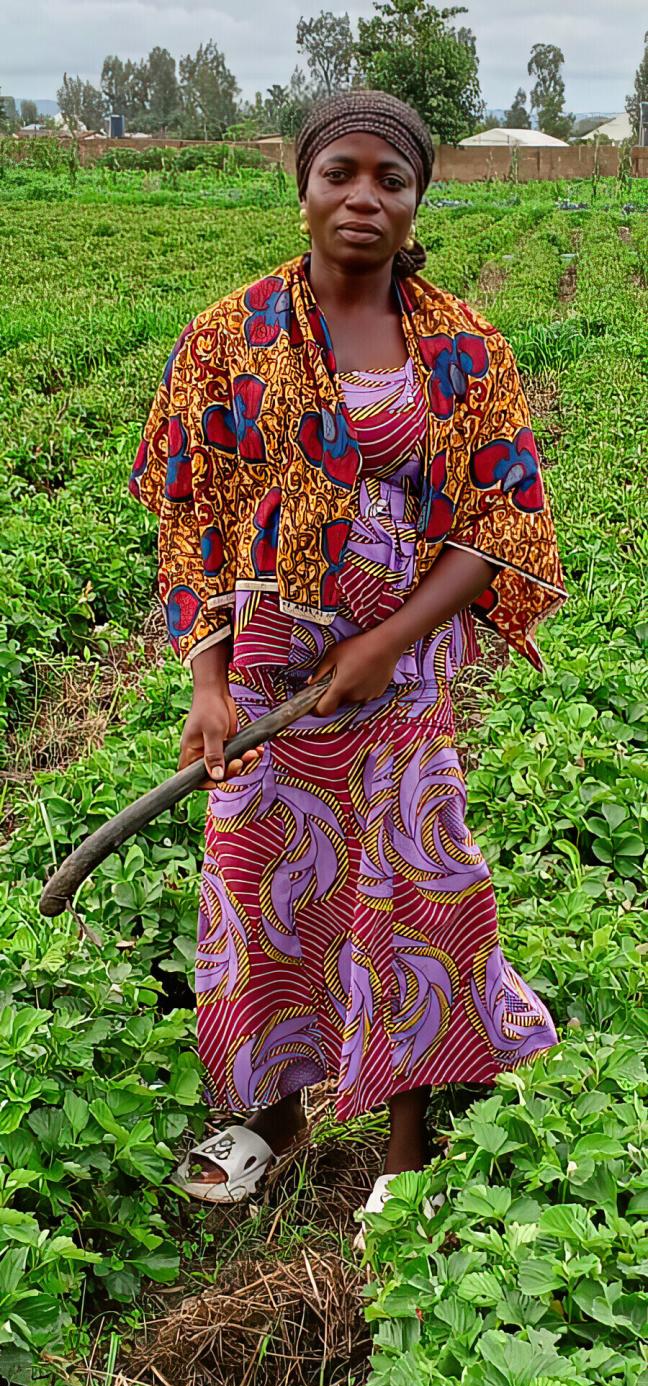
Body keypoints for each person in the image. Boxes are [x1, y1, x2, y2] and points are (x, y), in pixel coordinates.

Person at [129, 91, 566, 1214]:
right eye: (341, 173)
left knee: (414, 890)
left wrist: (386, 642)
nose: (364, 196)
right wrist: (211, 684)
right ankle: (271, 1118)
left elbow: (498, 525)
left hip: (397, 679)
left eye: (391, 178)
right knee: (260, 896)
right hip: (271, 680)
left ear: (419, 197)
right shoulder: (230, 335)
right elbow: (187, 514)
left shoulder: (463, 346)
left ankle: (405, 1152)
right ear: (304, 182)